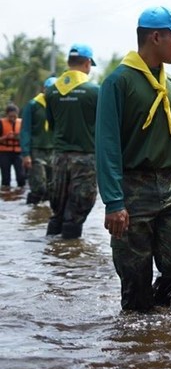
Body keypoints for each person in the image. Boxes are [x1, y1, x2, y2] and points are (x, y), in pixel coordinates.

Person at [96, 6, 171, 312]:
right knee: (134, 274)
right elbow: (107, 145)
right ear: (155, 37)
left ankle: (156, 315)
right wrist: (114, 201)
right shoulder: (118, 82)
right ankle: (138, 341)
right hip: (133, 187)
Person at [45, 44, 100, 238]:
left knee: (57, 211)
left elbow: (51, 125)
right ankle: (71, 258)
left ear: (69, 63)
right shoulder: (95, 91)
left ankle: (51, 256)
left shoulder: (51, 92)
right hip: (86, 157)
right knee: (76, 213)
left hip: (58, 157)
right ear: (87, 63)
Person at [20, 77, 56, 205]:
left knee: (52, 188)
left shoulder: (59, 104)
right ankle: (30, 214)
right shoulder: (33, 105)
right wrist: (25, 154)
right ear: (44, 89)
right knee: (39, 187)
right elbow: (25, 130)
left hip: (53, 151)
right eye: (50, 90)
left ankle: (42, 217)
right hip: (36, 150)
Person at [0, 103, 25, 189]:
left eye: (14, 116)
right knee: (6, 179)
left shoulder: (22, 123)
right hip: (4, 153)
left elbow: (27, 138)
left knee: (21, 177)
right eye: (10, 116)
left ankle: (20, 195)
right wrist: (6, 137)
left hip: (18, 153)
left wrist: (19, 137)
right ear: (6, 115)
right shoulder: (1, 123)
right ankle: (6, 197)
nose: (13, 119)